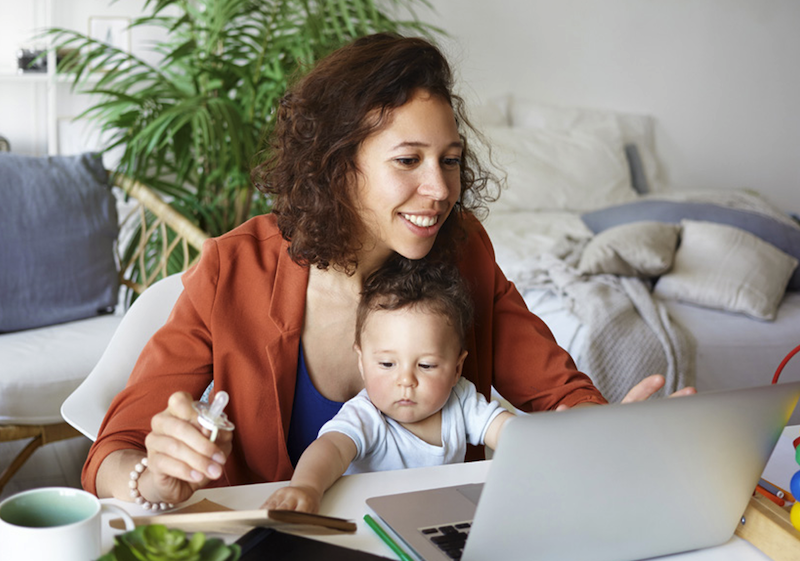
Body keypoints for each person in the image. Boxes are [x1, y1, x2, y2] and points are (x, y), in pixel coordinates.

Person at [84, 32, 691, 508]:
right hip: (276, 554)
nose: (440, 188)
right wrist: (152, 479)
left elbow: (557, 394)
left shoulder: (465, 252)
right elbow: (112, 454)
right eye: (408, 159)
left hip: (430, 544)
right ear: (336, 164)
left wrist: (609, 433)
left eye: (450, 161)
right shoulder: (233, 268)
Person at [264, 258, 514, 513]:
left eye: (426, 366)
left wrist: (543, 444)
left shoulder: (460, 401)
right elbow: (331, 449)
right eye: (386, 364)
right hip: (368, 523)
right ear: (362, 362)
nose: (406, 380)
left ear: (456, 369)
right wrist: (306, 487)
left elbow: (508, 431)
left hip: (435, 520)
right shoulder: (367, 415)